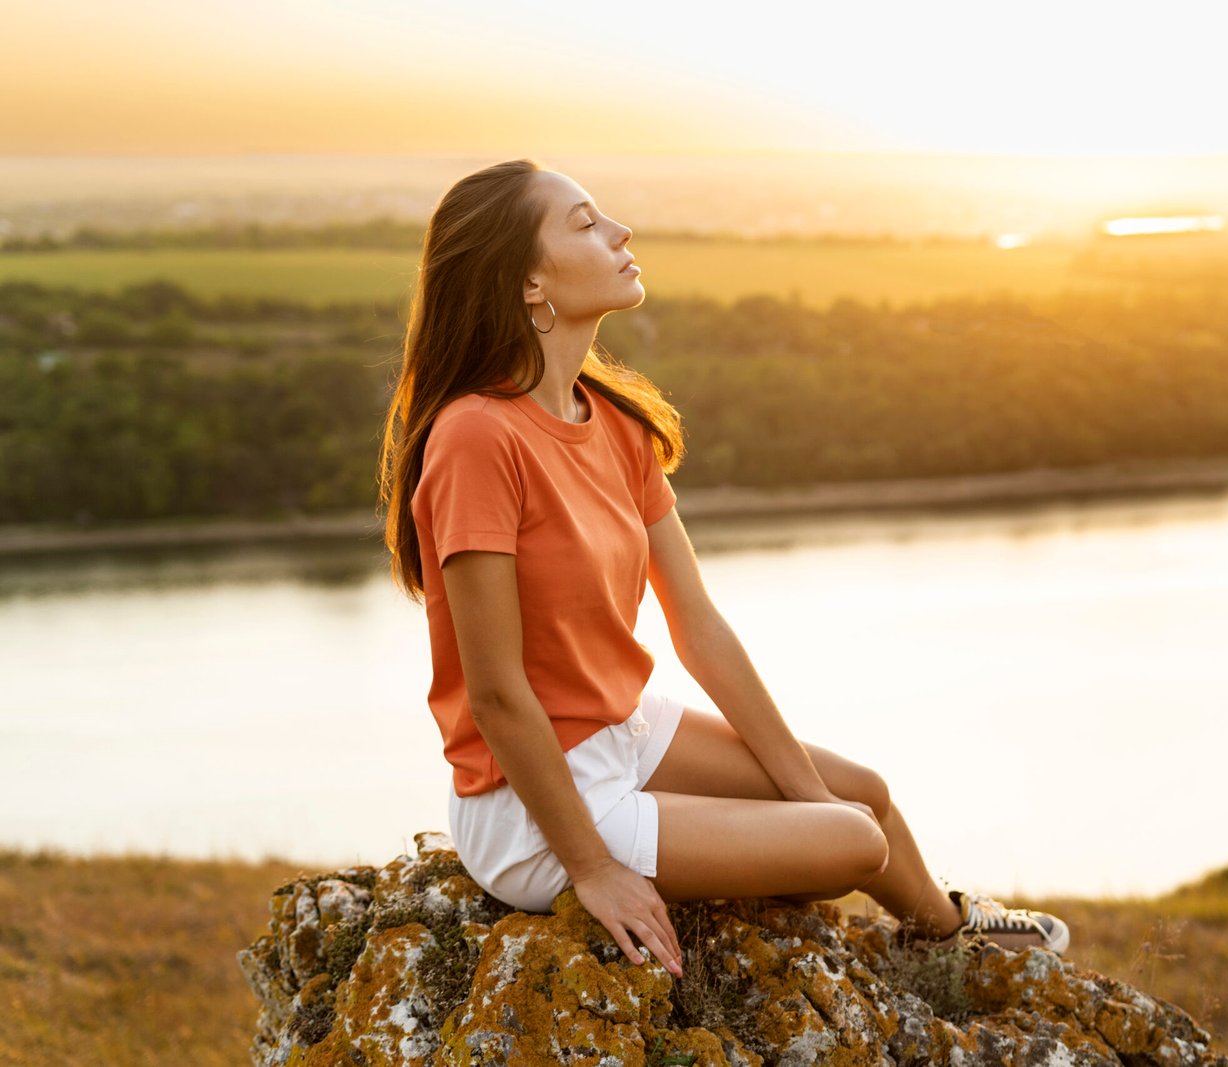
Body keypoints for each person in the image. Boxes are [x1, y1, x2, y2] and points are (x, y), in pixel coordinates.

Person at [377, 159, 1070, 980]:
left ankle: (951, 937)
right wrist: (594, 866)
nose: (620, 232)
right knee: (855, 842)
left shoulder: (616, 422)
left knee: (863, 795)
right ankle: (875, 904)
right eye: (586, 224)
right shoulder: (477, 437)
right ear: (530, 283)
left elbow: (699, 627)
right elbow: (495, 692)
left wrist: (805, 791)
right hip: (531, 806)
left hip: (620, 730)